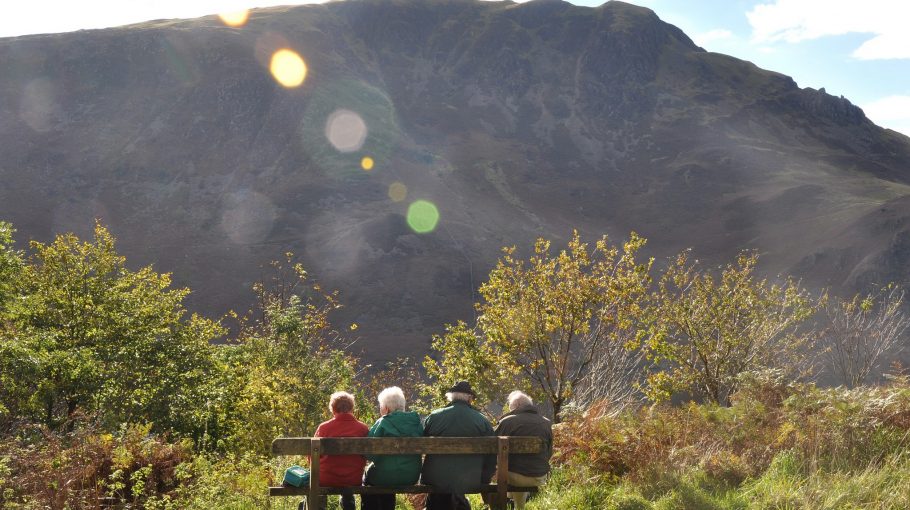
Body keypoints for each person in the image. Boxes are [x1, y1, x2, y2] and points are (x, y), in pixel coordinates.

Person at [421, 381, 495, 510]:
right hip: (471, 479)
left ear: (451, 397)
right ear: (470, 399)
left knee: (439, 491)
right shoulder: (482, 421)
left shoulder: (434, 417)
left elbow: (420, 444)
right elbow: (492, 453)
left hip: (435, 478)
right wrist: (484, 478)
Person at [361, 386, 424, 510]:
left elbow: (369, 454)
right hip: (410, 476)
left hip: (383, 476)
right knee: (388, 474)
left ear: (386, 408)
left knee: (371, 478)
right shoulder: (416, 422)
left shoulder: (382, 422)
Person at [493, 391, 552, 510]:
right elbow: (549, 453)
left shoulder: (507, 421)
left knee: (509, 470)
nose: (510, 412)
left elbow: (492, 449)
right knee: (520, 468)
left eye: (511, 409)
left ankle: (504, 502)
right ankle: (518, 507)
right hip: (539, 476)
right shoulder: (546, 422)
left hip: (513, 476)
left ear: (518, 405)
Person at [313, 391, 370, 510]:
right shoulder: (363, 428)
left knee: (313, 481)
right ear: (352, 408)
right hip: (353, 479)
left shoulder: (323, 428)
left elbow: (311, 456)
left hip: (326, 479)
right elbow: (367, 455)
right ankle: (348, 503)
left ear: (333, 409)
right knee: (347, 486)